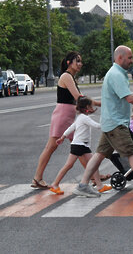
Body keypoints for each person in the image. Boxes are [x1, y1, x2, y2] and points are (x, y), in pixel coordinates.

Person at [73, 45, 133, 198]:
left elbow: (114, 99)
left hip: (111, 122)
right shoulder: (116, 74)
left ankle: (83, 185)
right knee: (132, 153)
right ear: (120, 58)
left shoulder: (116, 73)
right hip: (116, 124)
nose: (132, 60)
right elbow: (129, 98)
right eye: (129, 57)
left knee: (99, 155)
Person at [31, 51, 102, 189]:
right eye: (78, 61)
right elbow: (79, 98)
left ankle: (94, 176)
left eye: (81, 61)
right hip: (63, 115)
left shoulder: (71, 77)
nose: (80, 64)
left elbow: (79, 98)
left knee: (80, 147)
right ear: (69, 62)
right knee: (52, 147)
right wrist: (99, 103)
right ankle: (37, 178)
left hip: (68, 115)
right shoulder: (66, 76)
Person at [49, 96, 112, 195]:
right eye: (91, 105)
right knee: (71, 165)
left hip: (81, 145)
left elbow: (71, 127)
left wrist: (63, 136)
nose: (93, 107)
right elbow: (96, 126)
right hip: (79, 145)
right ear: (87, 107)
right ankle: (55, 184)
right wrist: (108, 124)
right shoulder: (84, 118)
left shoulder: (80, 117)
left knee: (90, 164)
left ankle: (99, 186)